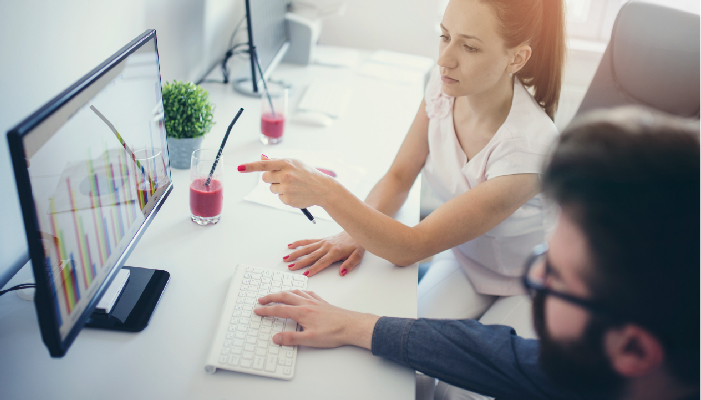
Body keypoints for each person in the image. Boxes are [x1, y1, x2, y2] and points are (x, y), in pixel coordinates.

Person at [251, 109, 700, 400]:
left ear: (634, 348)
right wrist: (353, 324)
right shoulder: (613, 368)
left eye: (554, 277)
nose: (536, 272)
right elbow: (503, 355)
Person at [240, 0, 566, 328]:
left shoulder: (528, 150)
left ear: (517, 57)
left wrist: (327, 193)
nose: (444, 59)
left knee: (459, 378)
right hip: (466, 259)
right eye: (444, 36)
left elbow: (412, 247)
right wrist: (351, 234)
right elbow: (399, 176)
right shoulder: (447, 86)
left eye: (469, 46)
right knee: (416, 372)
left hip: (533, 283)